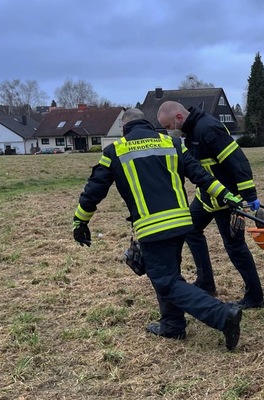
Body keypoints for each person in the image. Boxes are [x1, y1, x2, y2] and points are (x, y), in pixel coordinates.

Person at [72, 108, 243, 350]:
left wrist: (80, 221)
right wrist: (227, 195)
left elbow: (94, 191)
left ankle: (222, 315)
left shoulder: (115, 151)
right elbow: (201, 176)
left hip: (152, 227)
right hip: (181, 223)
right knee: (169, 274)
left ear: (123, 128)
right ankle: (172, 325)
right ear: (148, 123)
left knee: (165, 281)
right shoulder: (172, 144)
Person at [157, 101, 264, 309]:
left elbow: (237, 161)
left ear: (179, 117)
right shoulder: (192, 132)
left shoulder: (208, 128)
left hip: (226, 199)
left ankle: (255, 297)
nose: (169, 131)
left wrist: (249, 195)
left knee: (235, 247)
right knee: (190, 230)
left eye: (168, 127)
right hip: (206, 198)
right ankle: (206, 282)